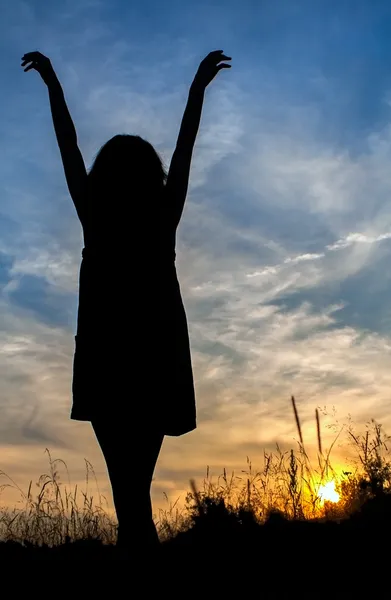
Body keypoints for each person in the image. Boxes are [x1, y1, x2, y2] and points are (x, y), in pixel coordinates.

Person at [21, 49, 231, 552]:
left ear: (105, 174)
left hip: (107, 363)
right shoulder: (161, 216)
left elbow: (69, 147)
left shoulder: (97, 213)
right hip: (155, 363)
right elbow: (184, 152)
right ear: (149, 174)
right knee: (132, 496)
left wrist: (54, 85)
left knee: (128, 495)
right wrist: (196, 92)